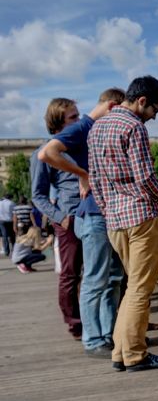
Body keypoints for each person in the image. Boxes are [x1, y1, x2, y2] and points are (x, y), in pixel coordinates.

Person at [87, 76, 158, 372]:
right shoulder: (134, 126)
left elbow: (94, 180)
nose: (154, 116)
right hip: (141, 217)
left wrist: (108, 211)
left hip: (115, 222)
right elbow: (145, 178)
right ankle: (135, 355)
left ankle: (120, 352)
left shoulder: (97, 128)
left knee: (133, 288)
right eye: (155, 109)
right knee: (141, 289)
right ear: (142, 101)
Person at [38, 88, 126, 358]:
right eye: (72, 116)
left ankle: (107, 334)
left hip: (102, 213)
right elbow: (46, 155)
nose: (77, 119)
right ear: (113, 107)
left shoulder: (92, 129)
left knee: (111, 278)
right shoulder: (82, 128)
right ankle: (91, 337)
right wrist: (83, 174)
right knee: (90, 278)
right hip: (86, 215)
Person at [30, 98, 83, 339]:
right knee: (71, 273)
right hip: (70, 217)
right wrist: (61, 218)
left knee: (99, 273)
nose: (79, 120)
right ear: (58, 122)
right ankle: (75, 323)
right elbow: (38, 195)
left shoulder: (83, 146)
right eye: (73, 117)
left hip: (93, 214)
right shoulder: (43, 153)